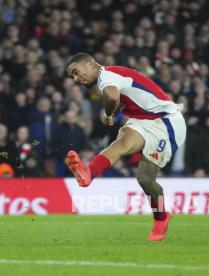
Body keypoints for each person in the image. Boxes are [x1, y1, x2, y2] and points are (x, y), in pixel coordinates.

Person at [64, 53, 187, 241]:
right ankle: (88, 173)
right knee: (121, 144)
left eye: (76, 72)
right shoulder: (108, 78)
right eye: (72, 76)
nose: (75, 79)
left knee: (145, 179)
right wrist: (111, 111)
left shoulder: (107, 77)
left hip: (166, 122)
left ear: (90, 64)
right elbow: (121, 98)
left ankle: (161, 217)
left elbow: (112, 97)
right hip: (143, 120)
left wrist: (107, 113)